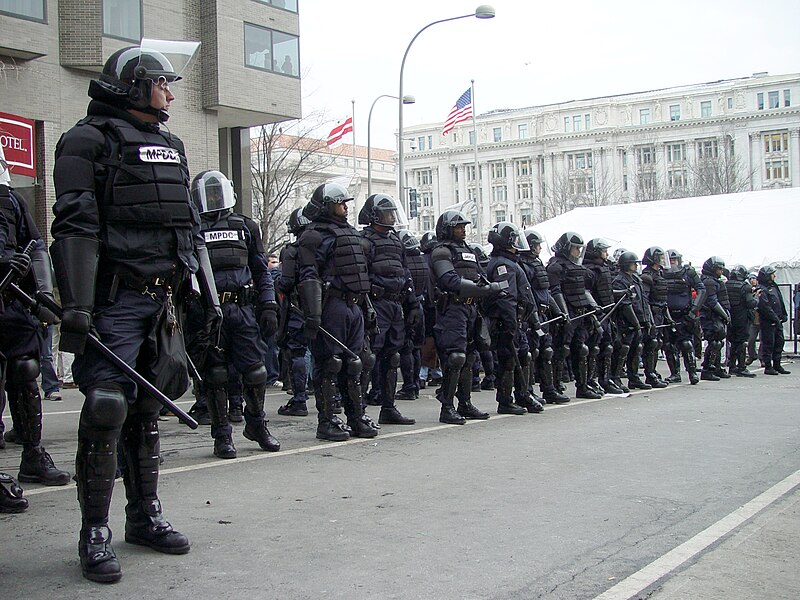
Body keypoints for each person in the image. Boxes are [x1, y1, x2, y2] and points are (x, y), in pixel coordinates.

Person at [51, 40, 217, 583]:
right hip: (115, 300)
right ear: (134, 85)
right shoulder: (85, 139)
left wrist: (205, 299)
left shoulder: (170, 144)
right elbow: (74, 224)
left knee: (149, 408)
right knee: (105, 407)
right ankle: (93, 532)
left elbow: (187, 230)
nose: (169, 92)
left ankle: (144, 516)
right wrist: (76, 306)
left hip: (164, 301)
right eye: (162, 82)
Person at [188, 170, 280, 459]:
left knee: (256, 371)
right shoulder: (192, 230)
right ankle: (222, 436)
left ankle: (256, 424)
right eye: (209, 192)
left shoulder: (245, 227)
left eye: (219, 192)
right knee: (215, 375)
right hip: (209, 312)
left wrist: (268, 305)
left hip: (242, 308)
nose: (215, 197)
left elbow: (261, 271)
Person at [0, 148, 70, 487]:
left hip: (11, 302)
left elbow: (36, 244)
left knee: (26, 368)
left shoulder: (11, 200)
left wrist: (41, 291)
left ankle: (32, 455)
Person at [297, 182, 379, 441]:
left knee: (356, 364)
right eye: (340, 203)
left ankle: (356, 417)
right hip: (331, 305)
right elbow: (308, 275)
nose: (345, 207)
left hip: (354, 304)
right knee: (330, 364)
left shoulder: (351, 233)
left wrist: (368, 306)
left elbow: (359, 274)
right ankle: (328, 421)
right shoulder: (313, 235)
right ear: (326, 206)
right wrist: (313, 314)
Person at [430, 210, 500, 424]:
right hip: (453, 309)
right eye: (458, 226)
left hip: (471, 309)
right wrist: (485, 290)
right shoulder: (441, 251)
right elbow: (449, 280)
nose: (463, 229)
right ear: (447, 228)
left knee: (469, 358)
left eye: (464, 226)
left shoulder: (468, 250)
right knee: (456, 357)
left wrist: (488, 287)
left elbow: (480, 276)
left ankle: (465, 403)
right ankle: (447, 407)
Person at [358, 194, 416, 425]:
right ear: (374, 215)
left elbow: (405, 272)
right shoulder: (365, 241)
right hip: (376, 303)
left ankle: (388, 407)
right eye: (387, 212)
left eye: (393, 212)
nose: (392, 216)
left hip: (395, 304)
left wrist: (412, 303)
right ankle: (359, 410)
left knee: (393, 357)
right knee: (369, 357)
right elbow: (360, 276)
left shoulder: (395, 240)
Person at [485, 222, 542, 414]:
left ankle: (523, 394)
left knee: (522, 356)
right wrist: (511, 324)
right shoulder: (503, 264)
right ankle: (506, 400)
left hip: (517, 320)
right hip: (508, 321)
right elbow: (506, 296)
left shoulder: (510, 261)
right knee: (509, 359)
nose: (517, 243)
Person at [547, 232, 603, 399]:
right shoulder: (556, 267)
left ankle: (583, 386)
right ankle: (555, 386)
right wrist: (563, 313)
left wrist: (592, 307)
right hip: (567, 314)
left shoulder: (579, 268)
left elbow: (583, 291)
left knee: (582, 350)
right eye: (575, 248)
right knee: (561, 350)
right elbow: (555, 292)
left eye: (580, 248)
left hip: (580, 313)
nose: (578, 252)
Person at [518, 229, 570, 403]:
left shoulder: (537, 263)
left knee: (547, 351)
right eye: (537, 244)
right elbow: (527, 293)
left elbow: (546, 291)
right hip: (530, 315)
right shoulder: (522, 265)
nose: (540, 247)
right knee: (531, 353)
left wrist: (557, 311)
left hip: (544, 313)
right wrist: (533, 318)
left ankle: (549, 389)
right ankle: (528, 391)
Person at [276, 207, 311, 416]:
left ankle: (299, 399)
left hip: (298, 309)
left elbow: (287, 282)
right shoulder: (322, 246)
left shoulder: (292, 250)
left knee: (296, 352)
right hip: (324, 308)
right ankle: (334, 399)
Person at [583, 238, 626, 395]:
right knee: (592, 348)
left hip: (608, 314)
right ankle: (590, 380)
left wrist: (622, 293)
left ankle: (605, 379)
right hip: (596, 315)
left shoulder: (604, 268)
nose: (606, 254)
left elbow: (606, 291)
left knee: (608, 347)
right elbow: (586, 291)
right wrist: (595, 308)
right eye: (603, 251)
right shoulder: (589, 270)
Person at [662, 249, 705, 385]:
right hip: (667, 315)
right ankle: (675, 374)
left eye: (674, 259)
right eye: (670, 259)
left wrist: (694, 310)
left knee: (686, 344)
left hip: (685, 314)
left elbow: (702, 290)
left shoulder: (688, 272)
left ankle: (692, 373)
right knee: (669, 345)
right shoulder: (661, 274)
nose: (672, 262)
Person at [612, 251, 653, 390]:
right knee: (623, 349)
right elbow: (625, 305)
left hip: (639, 319)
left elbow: (644, 301)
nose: (635, 265)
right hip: (626, 322)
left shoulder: (637, 280)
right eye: (633, 263)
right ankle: (616, 378)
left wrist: (647, 320)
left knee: (637, 349)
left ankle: (634, 377)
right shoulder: (619, 281)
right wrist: (635, 324)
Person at [396, 229, 428, 401]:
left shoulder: (404, 263)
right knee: (416, 347)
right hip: (420, 306)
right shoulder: (422, 261)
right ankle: (415, 383)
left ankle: (409, 386)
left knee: (406, 348)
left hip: (406, 306)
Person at [639, 247, 670, 388]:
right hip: (652, 313)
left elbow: (663, 300)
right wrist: (649, 320)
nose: (663, 259)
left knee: (658, 343)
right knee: (651, 343)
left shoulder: (660, 274)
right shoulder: (647, 275)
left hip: (660, 314)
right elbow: (645, 299)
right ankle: (649, 374)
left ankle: (653, 371)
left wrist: (668, 317)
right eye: (660, 257)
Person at [698, 256, 731, 381]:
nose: (721, 271)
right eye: (719, 269)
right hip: (710, 316)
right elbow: (712, 301)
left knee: (719, 342)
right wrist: (724, 314)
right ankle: (707, 369)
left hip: (716, 316)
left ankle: (716, 368)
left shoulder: (714, 281)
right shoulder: (709, 282)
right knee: (714, 343)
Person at [756, 265, 790, 375]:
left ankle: (777, 364)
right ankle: (768, 366)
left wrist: (783, 314)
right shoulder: (762, 289)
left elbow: (780, 300)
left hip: (777, 320)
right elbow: (764, 306)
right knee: (768, 343)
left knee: (779, 343)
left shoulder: (774, 287)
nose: (774, 276)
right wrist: (774, 318)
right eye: (772, 274)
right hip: (768, 321)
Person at [725, 265, 758, 377]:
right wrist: (756, 298)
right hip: (742, 317)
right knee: (741, 342)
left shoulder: (726, 285)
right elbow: (750, 303)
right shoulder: (745, 287)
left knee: (733, 342)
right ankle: (741, 367)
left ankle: (732, 366)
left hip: (729, 317)